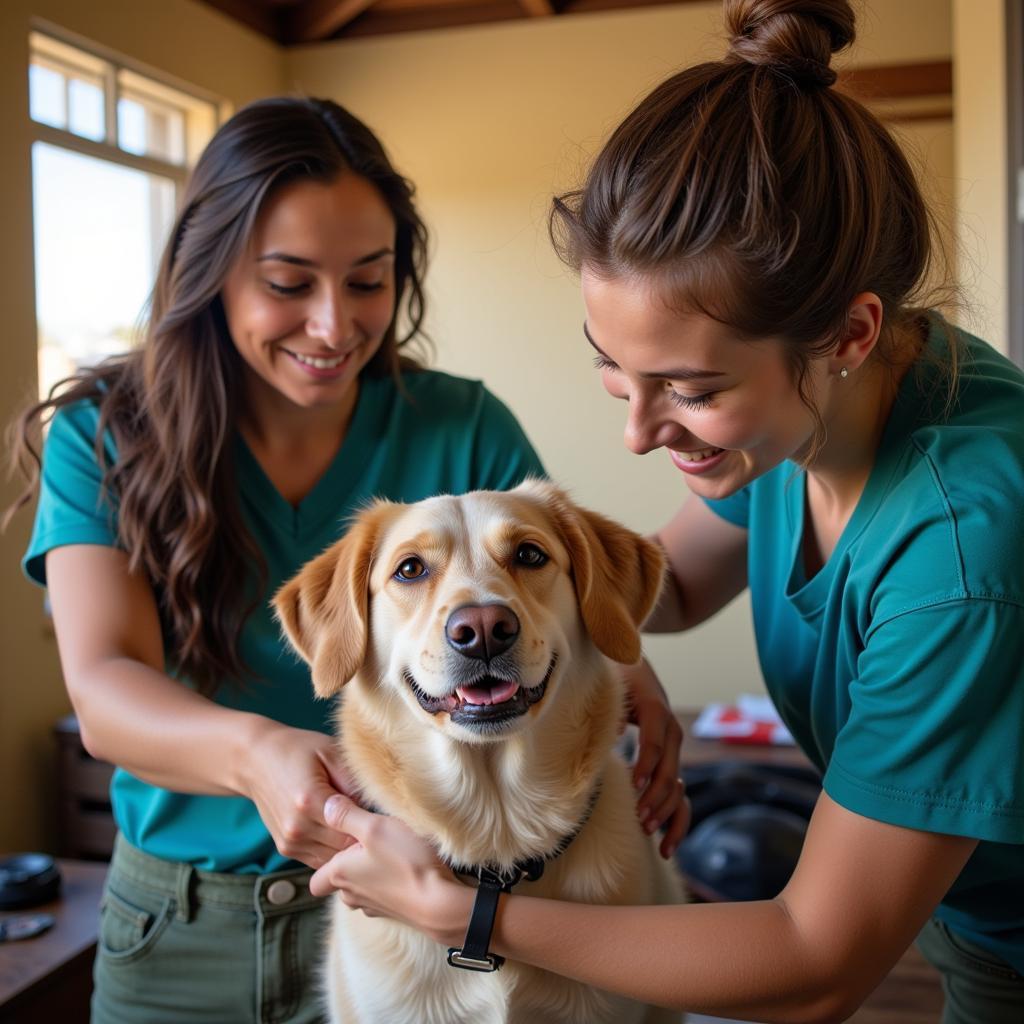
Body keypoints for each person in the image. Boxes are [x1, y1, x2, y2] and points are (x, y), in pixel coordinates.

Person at [304, 3, 1024, 1023]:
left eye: (687, 389)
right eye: (613, 370)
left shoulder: (962, 549)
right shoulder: (825, 402)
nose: (640, 433)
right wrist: (585, 638)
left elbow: (815, 966)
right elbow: (671, 582)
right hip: (961, 909)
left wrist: (458, 909)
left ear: (848, 333)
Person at [6, 95, 687, 1023]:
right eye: (289, 284)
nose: (334, 327)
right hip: (187, 929)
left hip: (450, 911)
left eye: (368, 281)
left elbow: (547, 585)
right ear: (208, 274)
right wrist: (257, 754)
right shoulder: (107, 435)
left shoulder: (460, 422)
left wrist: (629, 668)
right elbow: (104, 688)